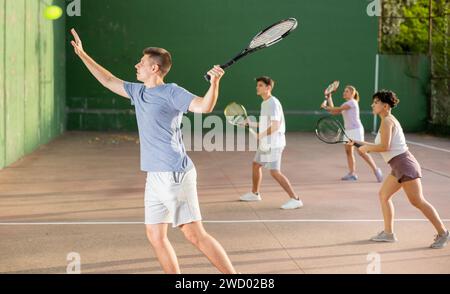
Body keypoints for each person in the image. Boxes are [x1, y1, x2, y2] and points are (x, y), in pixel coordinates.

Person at [70, 28, 237, 272]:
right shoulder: (138, 92)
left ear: (154, 69)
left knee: (194, 235)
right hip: (154, 176)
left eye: (142, 62)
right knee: (155, 236)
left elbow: (203, 107)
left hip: (174, 174)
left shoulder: (172, 92)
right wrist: (83, 54)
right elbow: (107, 79)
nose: (137, 65)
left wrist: (215, 83)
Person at [352, 90, 449, 248]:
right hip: (398, 166)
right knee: (384, 195)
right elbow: (381, 145)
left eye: (375, 102)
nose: (372, 105)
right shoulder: (387, 120)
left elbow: (384, 146)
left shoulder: (387, 122)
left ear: (385, 106)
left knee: (417, 201)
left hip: (404, 165)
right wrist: (358, 142)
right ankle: (388, 234)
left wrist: (366, 149)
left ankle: (443, 233)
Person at [240, 76, 303, 209]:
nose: (257, 87)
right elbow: (265, 123)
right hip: (266, 142)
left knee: (274, 171)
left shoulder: (273, 103)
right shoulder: (265, 103)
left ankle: (295, 199)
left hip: (274, 143)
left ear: (268, 88)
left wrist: (260, 135)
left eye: (261, 85)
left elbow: (275, 125)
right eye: (257, 85)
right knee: (256, 164)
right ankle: (255, 193)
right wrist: (249, 123)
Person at [322, 85, 383, 182]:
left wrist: (326, 106)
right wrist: (329, 98)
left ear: (352, 93)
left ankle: (376, 170)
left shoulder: (352, 103)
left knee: (361, 152)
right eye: (344, 91)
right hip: (348, 131)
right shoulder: (345, 104)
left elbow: (335, 109)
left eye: (346, 91)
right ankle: (352, 174)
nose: (344, 93)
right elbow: (334, 111)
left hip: (356, 130)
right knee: (348, 152)